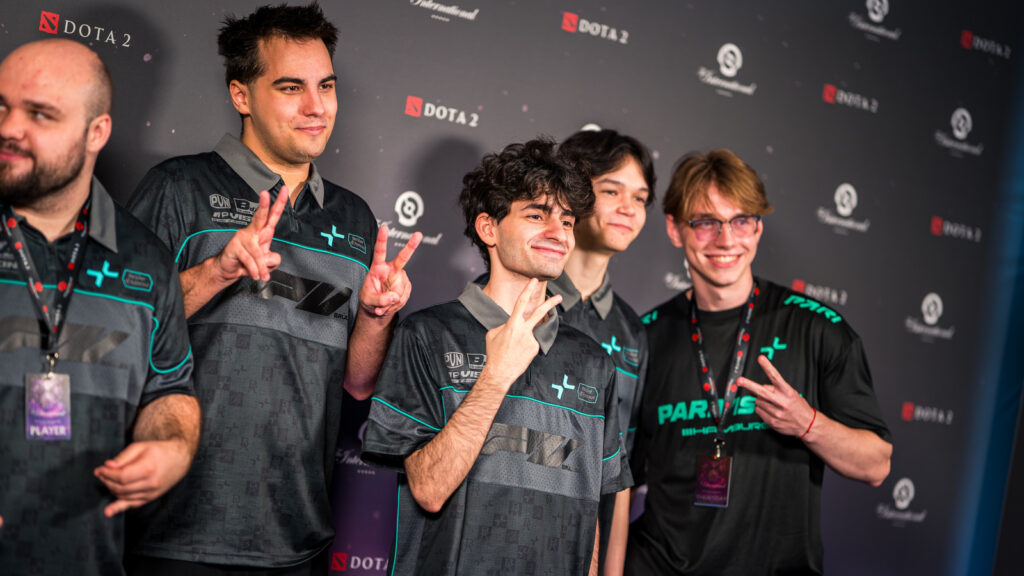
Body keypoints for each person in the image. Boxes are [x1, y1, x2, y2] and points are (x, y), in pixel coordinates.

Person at [124, 3, 420, 574]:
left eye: (326, 86)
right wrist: (216, 272)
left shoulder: (356, 219)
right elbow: (123, 328)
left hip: (297, 536)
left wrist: (375, 317)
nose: (316, 107)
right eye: (290, 88)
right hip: (172, 532)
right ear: (242, 95)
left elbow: (359, 383)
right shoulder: (179, 187)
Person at [361, 139, 631, 575]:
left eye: (566, 220)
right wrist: (495, 376)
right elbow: (428, 489)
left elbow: (592, 506)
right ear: (489, 228)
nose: (558, 232)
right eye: (537, 215)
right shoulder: (428, 335)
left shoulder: (594, 361)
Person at [626, 149, 892, 575]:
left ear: (758, 228)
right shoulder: (644, 337)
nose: (726, 240)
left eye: (741, 221)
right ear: (675, 229)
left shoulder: (817, 329)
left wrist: (807, 423)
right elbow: (617, 479)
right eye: (706, 222)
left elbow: (876, 465)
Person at [0, 39, 199, 576]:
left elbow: (169, 390)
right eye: (2, 107)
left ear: (96, 133)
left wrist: (171, 447)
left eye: (39, 114)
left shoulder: (148, 260)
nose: (9, 127)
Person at [554, 129, 654, 575]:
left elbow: (620, 472)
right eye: (612, 191)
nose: (629, 208)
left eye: (640, 197)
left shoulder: (632, 332)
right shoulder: (516, 297)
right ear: (573, 192)